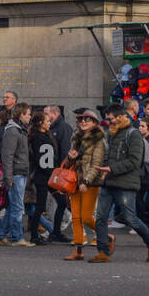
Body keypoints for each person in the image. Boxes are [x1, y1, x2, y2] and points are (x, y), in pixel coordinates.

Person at [90, 104, 149, 263]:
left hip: (126, 183)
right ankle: (103, 251)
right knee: (101, 217)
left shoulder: (133, 134)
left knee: (130, 218)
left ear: (120, 117)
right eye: (106, 119)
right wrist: (104, 168)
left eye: (110, 119)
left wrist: (111, 168)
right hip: (109, 182)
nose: (107, 121)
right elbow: (107, 155)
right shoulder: (110, 134)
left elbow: (135, 161)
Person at [63, 107, 106, 260]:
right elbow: (71, 161)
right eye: (80, 119)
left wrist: (87, 181)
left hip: (90, 181)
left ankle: (106, 236)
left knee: (87, 217)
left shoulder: (99, 139)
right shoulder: (76, 137)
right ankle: (78, 251)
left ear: (94, 122)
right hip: (75, 180)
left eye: (86, 119)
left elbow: (97, 163)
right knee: (75, 216)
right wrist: (70, 157)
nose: (82, 122)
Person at [0, 103, 33, 245]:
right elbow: (7, 155)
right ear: (21, 114)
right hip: (16, 173)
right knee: (17, 207)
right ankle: (17, 237)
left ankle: (0, 235)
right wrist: (8, 177)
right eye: (28, 114)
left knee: (14, 206)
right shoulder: (13, 131)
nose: (30, 116)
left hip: (20, 172)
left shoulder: (20, 130)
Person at [26, 111, 58, 244]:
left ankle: (55, 232)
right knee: (40, 207)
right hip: (43, 177)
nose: (50, 123)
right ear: (40, 123)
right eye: (47, 121)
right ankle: (35, 235)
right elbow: (42, 160)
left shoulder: (44, 136)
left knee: (60, 202)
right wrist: (52, 172)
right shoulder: (39, 138)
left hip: (48, 175)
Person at [45, 105, 73, 241]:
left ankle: (56, 231)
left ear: (55, 114)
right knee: (58, 203)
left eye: (46, 113)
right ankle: (55, 231)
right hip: (51, 172)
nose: (45, 116)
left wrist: (62, 171)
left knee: (61, 203)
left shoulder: (63, 128)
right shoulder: (51, 129)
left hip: (57, 173)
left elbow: (65, 151)